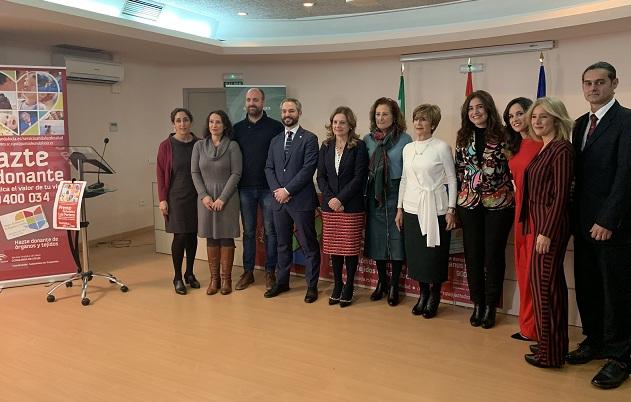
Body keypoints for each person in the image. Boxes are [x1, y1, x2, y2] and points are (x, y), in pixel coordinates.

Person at [569, 61, 631, 389]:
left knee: (615, 291)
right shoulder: (579, 124)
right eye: (588, 83)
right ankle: (594, 341)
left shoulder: (627, 121)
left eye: (600, 82)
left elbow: (626, 176)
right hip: (582, 223)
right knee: (588, 284)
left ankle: (620, 356)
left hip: (613, 227)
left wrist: (607, 219)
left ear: (614, 84)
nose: (593, 88)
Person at [519, 97, 574, 368]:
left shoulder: (562, 148)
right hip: (540, 223)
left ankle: (550, 354)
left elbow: (561, 195)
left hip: (549, 226)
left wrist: (547, 232)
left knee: (545, 287)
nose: (537, 122)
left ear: (557, 119)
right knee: (546, 286)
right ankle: (551, 343)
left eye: (543, 117)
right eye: (534, 117)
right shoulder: (544, 148)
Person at [455, 90, 514, 329]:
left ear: (488, 109)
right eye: (470, 108)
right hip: (469, 203)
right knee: (473, 255)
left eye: (479, 107)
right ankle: (477, 302)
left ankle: (491, 305)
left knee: (493, 255)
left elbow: (512, 168)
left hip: (498, 203)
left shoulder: (504, 134)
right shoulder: (462, 136)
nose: (474, 112)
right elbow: (460, 170)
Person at [395, 104, 456, 318]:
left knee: (434, 255)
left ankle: (435, 295)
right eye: (416, 119)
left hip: (436, 208)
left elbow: (451, 178)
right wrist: (400, 208)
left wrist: (451, 208)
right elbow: (404, 179)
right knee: (417, 256)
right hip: (412, 208)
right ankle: (422, 294)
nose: (419, 123)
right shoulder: (408, 148)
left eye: (424, 119)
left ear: (433, 124)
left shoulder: (441, 147)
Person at [264, 97, 321, 303]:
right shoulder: (275, 140)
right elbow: (268, 168)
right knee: (282, 244)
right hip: (279, 202)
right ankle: (282, 282)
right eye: (285, 111)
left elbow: (308, 170)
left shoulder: (309, 139)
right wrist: (277, 191)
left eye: (292, 111)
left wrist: (287, 190)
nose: (287, 115)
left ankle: (311, 286)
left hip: (301, 201)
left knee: (309, 245)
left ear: (299, 113)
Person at [233, 88, 284, 291]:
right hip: (244, 188)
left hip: (268, 188)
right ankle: (248, 272)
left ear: (263, 102)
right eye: (248, 99)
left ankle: (271, 272)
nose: (251, 103)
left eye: (255, 99)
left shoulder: (275, 127)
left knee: (271, 232)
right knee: (249, 233)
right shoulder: (236, 129)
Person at [317, 106, 369, 308]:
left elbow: (359, 177)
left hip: (351, 205)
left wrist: (341, 199)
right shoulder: (326, 145)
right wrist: (331, 198)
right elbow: (321, 176)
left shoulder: (359, 146)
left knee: (349, 248)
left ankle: (349, 286)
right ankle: (337, 284)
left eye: (342, 122)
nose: (338, 126)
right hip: (330, 206)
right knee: (334, 248)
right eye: (335, 122)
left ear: (350, 125)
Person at [363, 97, 412, 306]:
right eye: (377, 114)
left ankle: (394, 285)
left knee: (396, 240)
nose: (381, 118)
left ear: (394, 117)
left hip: (397, 192)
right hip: (375, 194)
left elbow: (409, 171)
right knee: (377, 240)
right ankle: (381, 282)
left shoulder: (405, 139)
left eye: (385, 114)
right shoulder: (367, 139)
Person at [191, 110, 242, 296]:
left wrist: (222, 198)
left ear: (225, 125)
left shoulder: (233, 146)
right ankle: (215, 279)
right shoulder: (198, 146)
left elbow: (236, 173)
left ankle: (226, 279)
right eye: (211, 121)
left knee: (226, 236)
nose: (214, 125)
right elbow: (195, 173)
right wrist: (204, 195)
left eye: (218, 122)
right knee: (211, 237)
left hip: (227, 198)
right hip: (205, 199)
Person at [503, 97, 542, 342]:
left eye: (520, 113)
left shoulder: (544, 144)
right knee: (524, 270)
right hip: (519, 213)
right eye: (510, 116)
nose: (515, 119)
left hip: (538, 215)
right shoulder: (516, 145)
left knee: (536, 272)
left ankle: (540, 329)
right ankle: (528, 327)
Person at [156, 108, 201, 295]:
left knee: (192, 235)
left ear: (191, 122)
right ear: (173, 124)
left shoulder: (200, 143)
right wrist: (162, 199)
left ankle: (190, 273)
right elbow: (160, 173)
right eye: (178, 120)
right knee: (180, 236)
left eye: (185, 120)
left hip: (197, 196)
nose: (182, 124)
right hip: (176, 197)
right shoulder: (166, 145)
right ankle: (177, 277)